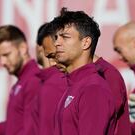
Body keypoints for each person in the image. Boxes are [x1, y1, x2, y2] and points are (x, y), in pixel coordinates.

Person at [49, 7, 117, 135]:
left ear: (85, 43)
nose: (57, 43)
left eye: (65, 37)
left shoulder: (94, 89)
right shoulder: (74, 85)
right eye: (56, 37)